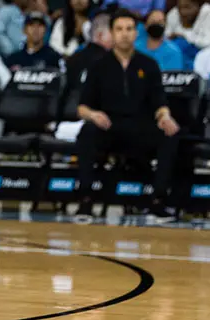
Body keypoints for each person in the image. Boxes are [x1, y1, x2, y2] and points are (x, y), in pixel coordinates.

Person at [75, 9, 180, 223]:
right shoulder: (99, 66)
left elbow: (160, 102)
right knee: (87, 132)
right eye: (119, 29)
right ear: (112, 33)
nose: (124, 34)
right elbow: (82, 107)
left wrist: (165, 116)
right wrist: (94, 115)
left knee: (170, 134)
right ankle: (85, 201)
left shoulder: (148, 65)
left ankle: (158, 202)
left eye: (129, 29)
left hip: (140, 127)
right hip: (110, 127)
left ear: (136, 33)